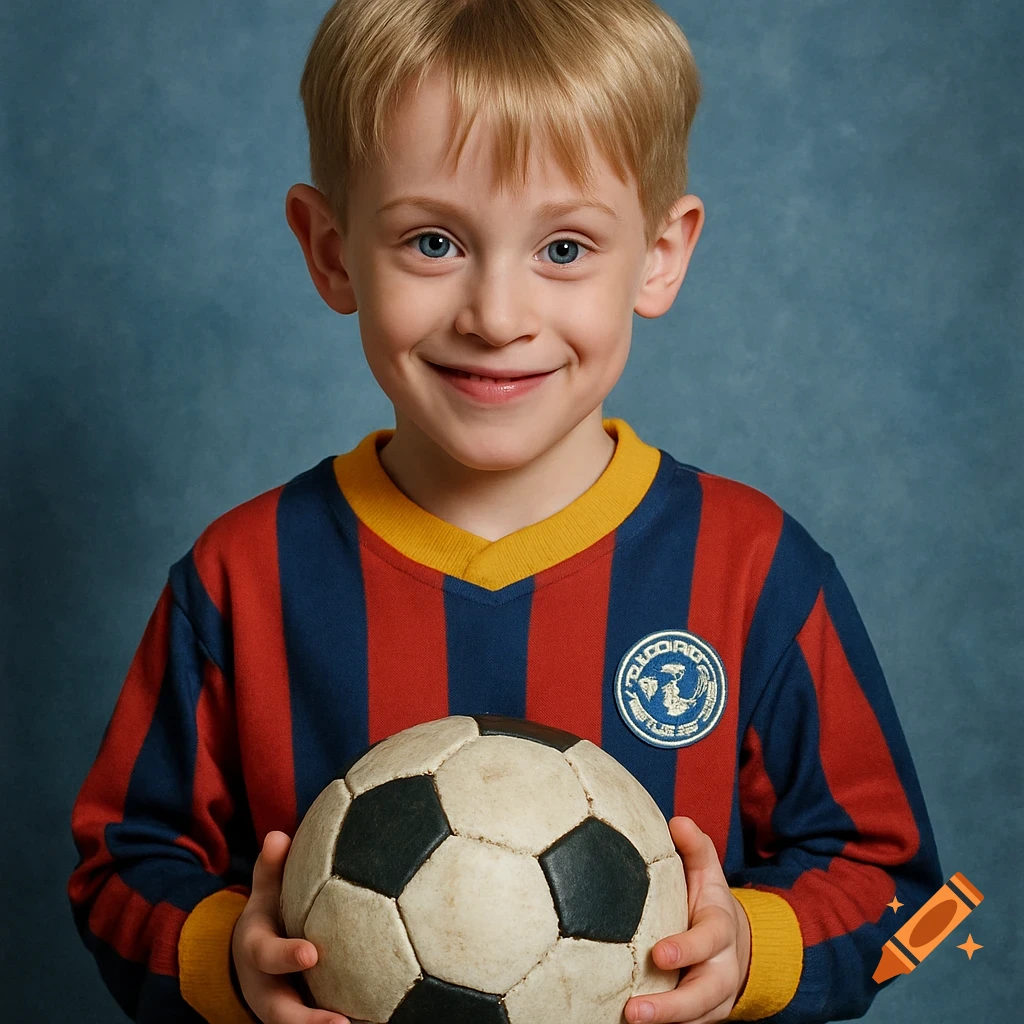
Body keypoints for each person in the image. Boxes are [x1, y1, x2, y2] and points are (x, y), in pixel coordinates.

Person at [68, 1, 944, 1022]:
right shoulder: (243, 574)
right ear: (332, 248)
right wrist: (226, 955)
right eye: (433, 241)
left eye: (564, 249)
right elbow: (117, 869)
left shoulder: (749, 567)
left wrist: (752, 949)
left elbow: (904, 889)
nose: (495, 314)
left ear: (659, 253)